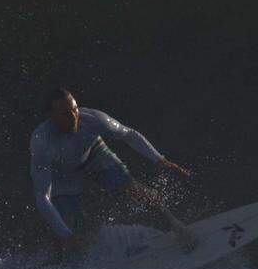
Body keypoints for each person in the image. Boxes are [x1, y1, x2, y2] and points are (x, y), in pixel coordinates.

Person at [30, 88, 198, 254]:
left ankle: (177, 227)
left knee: (133, 189)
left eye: (75, 109)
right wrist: (67, 236)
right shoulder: (42, 143)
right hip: (63, 173)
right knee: (71, 227)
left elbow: (128, 134)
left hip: (94, 154)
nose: (74, 117)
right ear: (51, 118)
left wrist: (159, 159)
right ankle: (71, 264)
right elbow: (43, 197)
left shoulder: (92, 119)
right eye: (66, 114)